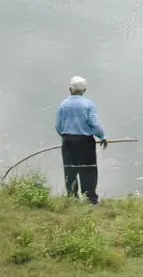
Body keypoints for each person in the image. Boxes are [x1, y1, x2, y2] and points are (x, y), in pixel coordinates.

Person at [56, 75, 106, 204]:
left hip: (68, 141)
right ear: (84, 91)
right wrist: (102, 136)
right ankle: (90, 199)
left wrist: (65, 137)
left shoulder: (63, 105)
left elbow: (58, 125)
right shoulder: (88, 104)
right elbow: (94, 123)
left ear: (70, 89)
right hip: (85, 141)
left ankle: (72, 198)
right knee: (88, 169)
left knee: (70, 169)